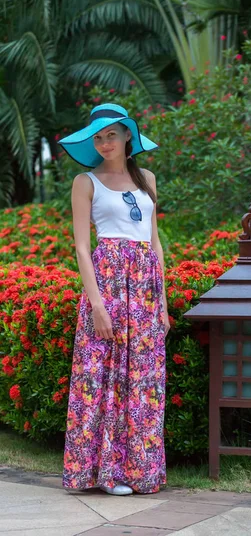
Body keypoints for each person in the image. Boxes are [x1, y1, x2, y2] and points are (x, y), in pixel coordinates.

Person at [59, 102, 170, 496]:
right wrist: (97, 305)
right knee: (102, 376)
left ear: (127, 136)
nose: (105, 142)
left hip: (144, 288)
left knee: (142, 381)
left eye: (112, 134)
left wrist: (163, 305)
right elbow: (82, 247)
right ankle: (104, 473)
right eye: (98, 137)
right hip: (107, 282)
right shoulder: (85, 182)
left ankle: (139, 471)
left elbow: (154, 242)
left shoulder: (148, 180)